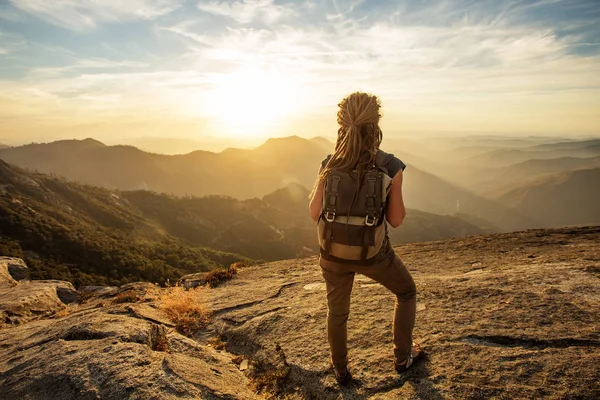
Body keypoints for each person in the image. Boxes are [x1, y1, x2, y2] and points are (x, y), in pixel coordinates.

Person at [308, 92, 422, 385]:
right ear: (376, 124)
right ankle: (401, 358)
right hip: (373, 255)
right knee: (406, 292)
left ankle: (341, 370)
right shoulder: (390, 165)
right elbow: (395, 220)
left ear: (341, 124)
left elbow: (313, 212)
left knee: (337, 312)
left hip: (332, 253)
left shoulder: (329, 163)